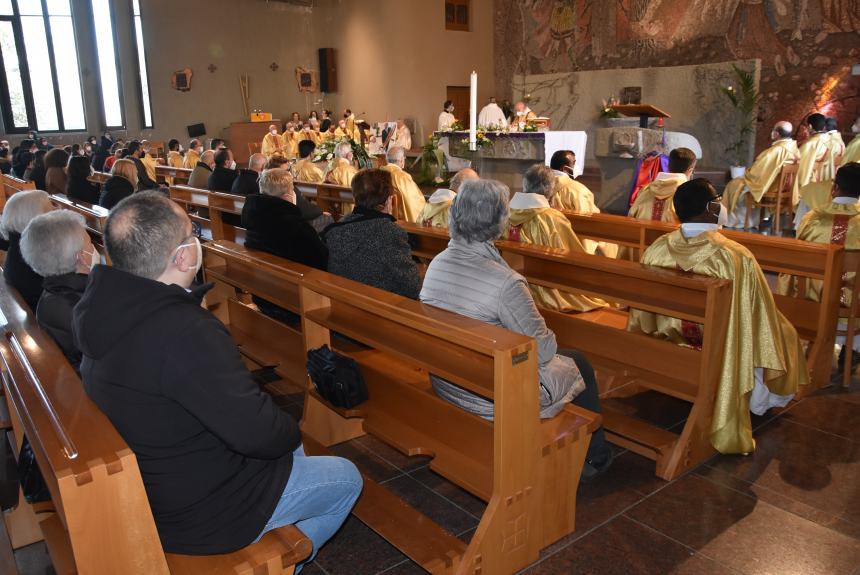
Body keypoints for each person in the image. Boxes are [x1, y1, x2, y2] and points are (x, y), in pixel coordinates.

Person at [72, 191, 360, 564]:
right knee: (345, 478)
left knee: (290, 449)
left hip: (157, 480)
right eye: (192, 233)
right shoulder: (180, 330)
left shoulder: (102, 306)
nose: (198, 241)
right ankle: (279, 564)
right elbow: (257, 432)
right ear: (183, 255)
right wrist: (289, 432)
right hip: (204, 511)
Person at [420, 179, 613, 480]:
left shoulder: (438, 264)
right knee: (579, 362)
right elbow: (544, 351)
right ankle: (595, 457)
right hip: (491, 395)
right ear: (499, 222)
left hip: (448, 379)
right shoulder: (505, 281)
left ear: (455, 215)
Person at [627, 178, 808, 454]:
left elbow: (643, 315)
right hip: (721, 344)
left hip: (670, 339)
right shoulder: (735, 256)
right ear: (711, 209)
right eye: (718, 200)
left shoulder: (658, 248)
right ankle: (761, 400)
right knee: (784, 331)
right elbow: (758, 313)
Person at [781, 163, 860, 368]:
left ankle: (809, 342)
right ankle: (852, 350)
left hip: (814, 296)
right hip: (853, 302)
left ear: (835, 187)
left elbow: (798, 253)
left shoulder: (812, 217)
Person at [506, 165, 606, 312]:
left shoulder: (505, 214)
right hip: (546, 290)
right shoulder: (552, 219)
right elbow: (572, 255)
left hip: (509, 284)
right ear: (549, 189)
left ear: (525, 185)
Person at [322, 169, 421, 299]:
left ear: (355, 197)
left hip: (342, 303)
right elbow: (412, 287)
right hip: (379, 309)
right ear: (388, 201)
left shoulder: (337, 228)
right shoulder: (389, 232)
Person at [20, 210, 96, 368]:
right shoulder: (83, 307)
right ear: (81, 257)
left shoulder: (54, 290)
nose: (94, 248)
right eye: (90, 243)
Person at [722, 121, 799, 228]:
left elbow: (756, 174)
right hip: (783, 189)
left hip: (771, 189)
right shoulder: (794, 148)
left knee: (733, 184)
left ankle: (734, 220)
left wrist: (747, 173)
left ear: (776, 134)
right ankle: (752, 220)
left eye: (773, 130)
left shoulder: (776, 151)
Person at [1, 190, 53, 309]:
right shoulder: (36, 257)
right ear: (35, 219)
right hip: (42, 313)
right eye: (49, 211)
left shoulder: (18, 246)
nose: (55, 212)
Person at [627, 147, 696, 224]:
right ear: (690, 170)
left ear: (668, 167)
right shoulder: (689, 195)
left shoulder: (646, 190)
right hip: (671, 235)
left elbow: (631, 216)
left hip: (642, 235)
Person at [380, 146, 426, 222]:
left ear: (386, 159)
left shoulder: (378, 172)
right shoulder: (402, 177)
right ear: (401, 160)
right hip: (400, 221)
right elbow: (415, 200)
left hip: (380, 218)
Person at [798, 113, 835, 189]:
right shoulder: (830, 140)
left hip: (809, 180)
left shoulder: (811, 143)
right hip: (823, 177)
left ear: (810, 126)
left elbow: (800, 163)